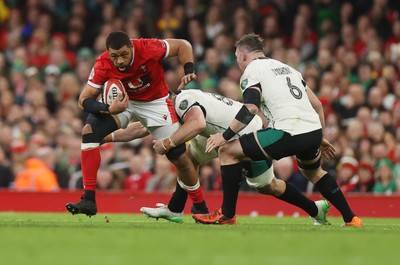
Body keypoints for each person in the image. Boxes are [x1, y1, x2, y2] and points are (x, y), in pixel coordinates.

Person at [201, 33, 362, 227]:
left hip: (288, 131)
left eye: (237, 58)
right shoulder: (289, 69)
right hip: (312, 131)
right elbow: (318, 104)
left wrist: (224, 136)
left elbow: (251, 108)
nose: (238, 63)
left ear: (243, 55)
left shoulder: (252, 70)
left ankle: (227, 215)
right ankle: (351, 219)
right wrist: (320, 136)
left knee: (227, 150)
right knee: (315, 172)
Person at [111, 89, 331, 225]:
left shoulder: (182, 102)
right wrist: (105, 137)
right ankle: (175, 209)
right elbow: (141, 128)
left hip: (244, 132)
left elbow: (197, 124)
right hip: (218, 132)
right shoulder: (176, 103)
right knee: (188, 160)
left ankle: (315, 208)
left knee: (267, 186)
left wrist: (168, 143)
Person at [66, 31, 208, 217]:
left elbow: (183, 44)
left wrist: (189, 69)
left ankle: (200, 205)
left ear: (132, 48)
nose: (120, 61)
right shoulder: (102, 63)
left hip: (156, 101)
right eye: (114, 56)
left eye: (124, 54)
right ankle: (88, 200)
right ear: (108, 53)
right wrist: (108, 108)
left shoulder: (147, 48)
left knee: (180, 159)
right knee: (89, 132)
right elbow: (83, 100)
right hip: (124, 102)